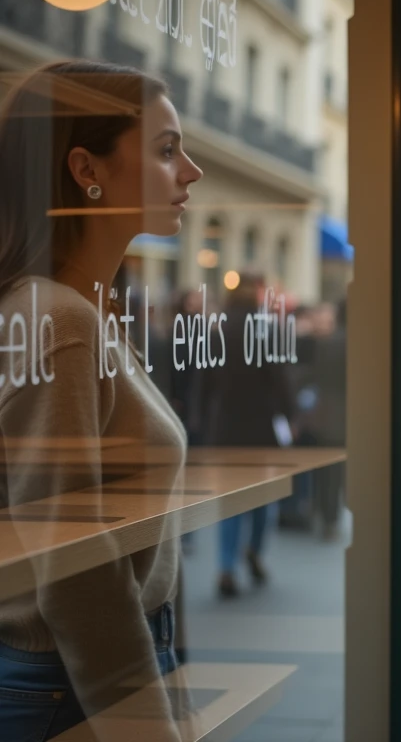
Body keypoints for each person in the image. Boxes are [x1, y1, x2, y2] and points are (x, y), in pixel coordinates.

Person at [0, 61, 202, 738]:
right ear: (87, 167)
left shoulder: (83, 310)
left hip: (90, 670)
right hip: (66, 684)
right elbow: (75, 573)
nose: (190, 172)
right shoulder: (62, 320)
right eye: (166, 150)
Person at [202, 275, 296, 598]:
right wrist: (289, 415)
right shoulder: (265, 330)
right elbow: (280, 380)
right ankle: (254, 549)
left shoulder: (217, 331)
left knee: (229, 499)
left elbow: (205, 381)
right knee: (261, 496)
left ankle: (226, 566)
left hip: (226, 427)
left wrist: (200, 420)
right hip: (260, 428)